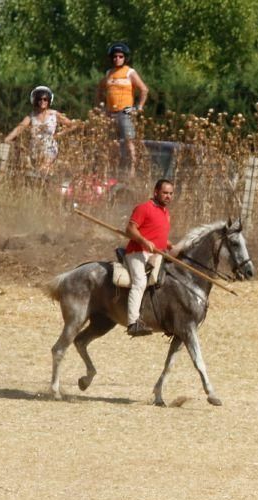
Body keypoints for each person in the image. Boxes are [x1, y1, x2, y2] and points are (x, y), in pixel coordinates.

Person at [124, 179, 174, 336]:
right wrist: (144, 241)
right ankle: (133, 323)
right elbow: (130, 229)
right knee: (140, 282)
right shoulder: (143, 208)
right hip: (137, 253)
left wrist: (167, 243)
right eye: (165, 193)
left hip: (156, 254)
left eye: (171, 194)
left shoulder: (166, 214)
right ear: (156, 192)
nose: (168, 196)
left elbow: (155, 233)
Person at [96, 42, 149, 178]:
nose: (117, 59)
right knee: (109, 142)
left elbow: (144, 89)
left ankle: (131, 171)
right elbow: (99, 90)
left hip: (125, 111)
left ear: (125, 58)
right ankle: (110, 169)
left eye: (120, 56)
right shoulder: (109, 73)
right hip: (110, 112)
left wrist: (139, 107)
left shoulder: (129, 72)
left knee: (128, 140)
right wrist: (101, 108)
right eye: (115, 56)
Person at [4, 86, 78, 175]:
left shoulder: (54, 114)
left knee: (44, 169)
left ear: (49, 100)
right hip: (35, 149)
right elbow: (20, 128)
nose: (42, 101)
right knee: (38, 173)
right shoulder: (31, 116)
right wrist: (7, 139)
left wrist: (59, 135)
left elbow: (73, 125)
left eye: (45, 99)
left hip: (50, 147)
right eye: (39, 99)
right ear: (35, 100)